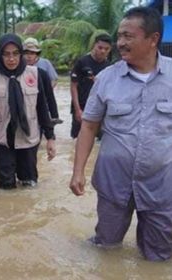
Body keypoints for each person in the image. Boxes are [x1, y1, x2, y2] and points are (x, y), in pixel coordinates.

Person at [69, 7, 172, 261]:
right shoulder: (106, 79)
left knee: (159, 256)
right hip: (114, 184)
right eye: (119, 36)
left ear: (153, 38)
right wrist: (78, 171)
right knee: (107, 248)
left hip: (161, 186)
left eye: (128, 36)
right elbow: (89, 126)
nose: (120, 43)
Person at [0, 34, 56, 189]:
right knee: (6, 186)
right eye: (6, 54)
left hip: (28, 137)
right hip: (0, 139)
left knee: (29, 184)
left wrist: (50, 138)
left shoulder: (37, 75)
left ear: (21, 54)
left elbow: (42, 108)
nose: (11, 59)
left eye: (15, 54)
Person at [70, 34, 112, 138]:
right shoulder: (82, 62)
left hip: (99, 108)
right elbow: (73, 86)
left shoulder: (109, 67)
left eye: (106, 49)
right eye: (100, 47)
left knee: (98, 140)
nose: (102, 51)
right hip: (82, 106)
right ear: (94, 46)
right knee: (77, 138)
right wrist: (77, 109)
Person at [23, 37, 62, 125]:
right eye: (26, 53)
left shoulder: (45, 63)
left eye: (32, 53)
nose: (29, 56)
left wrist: (46, 91)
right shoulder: (19, 67)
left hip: (44, 101)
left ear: (37, 54)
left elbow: (54, 79)